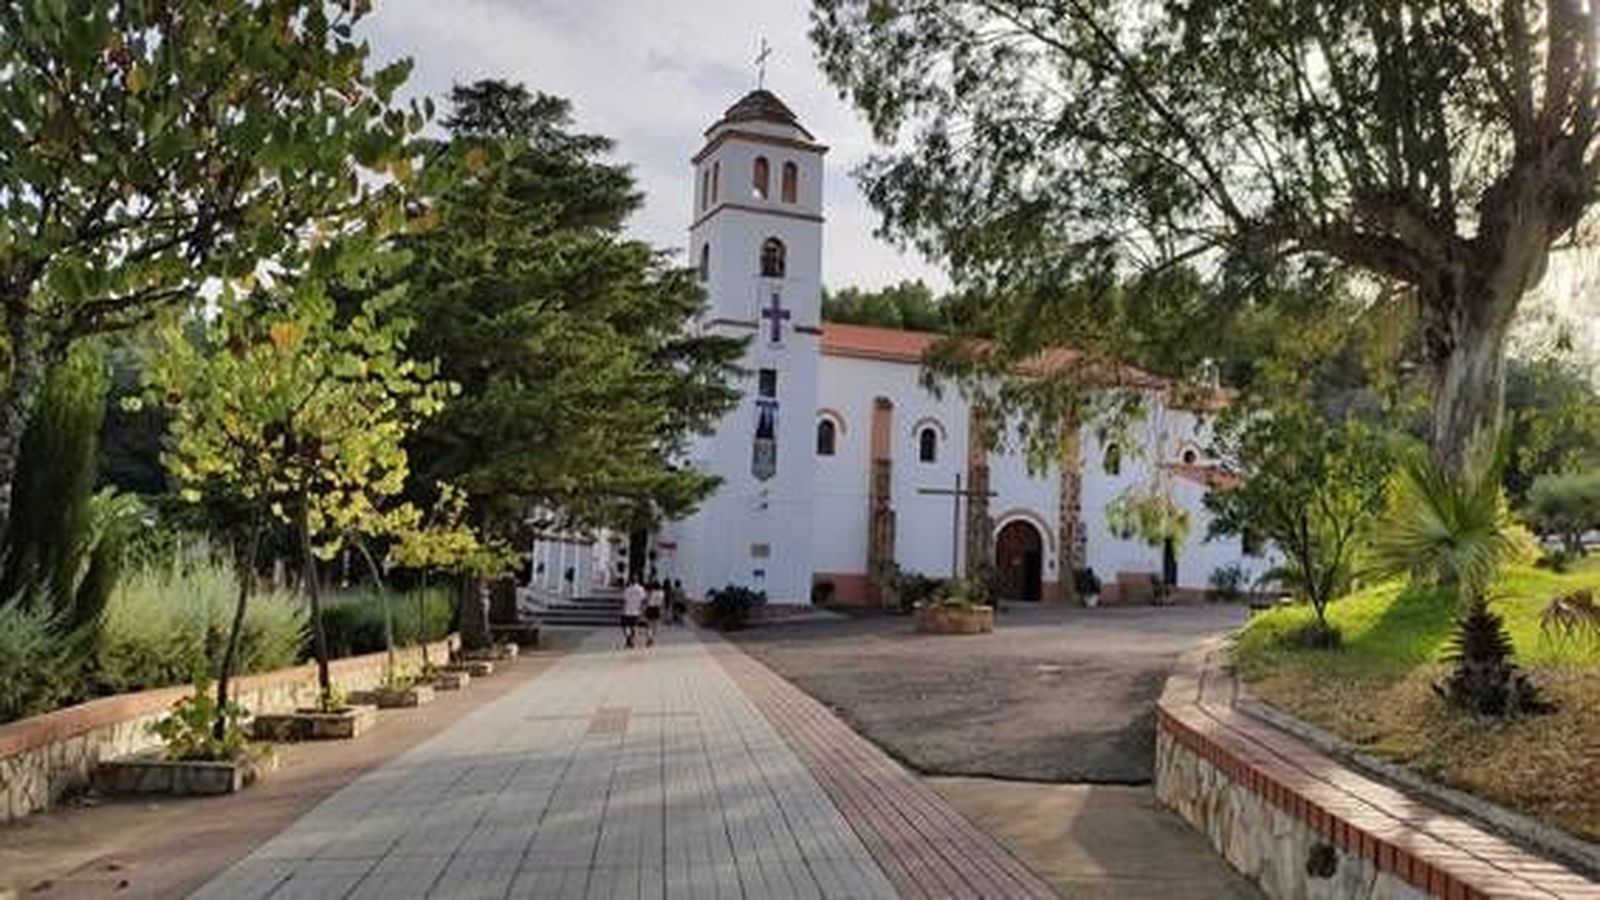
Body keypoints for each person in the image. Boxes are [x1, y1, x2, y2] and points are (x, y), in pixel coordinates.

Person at [620, 578, 646, 649]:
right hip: (636, 611)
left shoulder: (627, 589)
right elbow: (643, 600)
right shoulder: (641, 589)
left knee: (625, 626)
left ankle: (628, 639)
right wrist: (642, 610)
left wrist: (622, 610)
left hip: (627, 610)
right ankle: (631, 640)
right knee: (633, 626)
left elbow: (624, 601)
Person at [644, 580, 665, 647]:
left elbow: (647, 601)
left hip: (650, 608)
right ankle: (652, 638)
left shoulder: (651, 592)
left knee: (649, 625)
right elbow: (662, 602)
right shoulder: (662, 593)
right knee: (655, 626)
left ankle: (649, 637)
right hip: (657, 609)